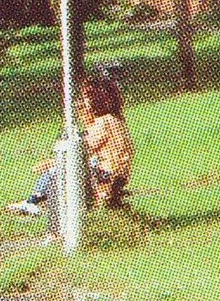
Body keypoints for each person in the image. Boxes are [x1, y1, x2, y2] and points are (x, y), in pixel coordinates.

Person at [10, 74, 132, 216]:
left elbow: (81, 151)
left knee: (54, 171)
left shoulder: (103, 123)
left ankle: (33, 202)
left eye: (85, 97)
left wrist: (51, 163)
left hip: (105, 175)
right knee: (64, 168)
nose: (82, 102)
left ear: (97, 98)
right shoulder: (116, 120)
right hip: (117, 176)